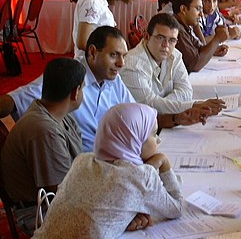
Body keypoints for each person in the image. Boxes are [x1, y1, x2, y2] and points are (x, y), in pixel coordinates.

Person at [0, 26, 208, 151]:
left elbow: (136, 117)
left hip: (116, 158)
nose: (121, 64)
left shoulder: (113, 79)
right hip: (86, 169)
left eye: (124, 56)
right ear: (92, 52)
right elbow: (12, 101)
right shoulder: (68, 78)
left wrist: (176, 118)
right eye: (114, 55)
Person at [33, 103, 183, 238]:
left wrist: (124, 219)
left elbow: (97, 207)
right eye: (153, 133)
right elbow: (176, 208)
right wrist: (163, 162)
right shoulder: (141, 177)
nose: (158, 139)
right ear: (134, 139)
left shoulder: (82, 160)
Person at [1, 58, 85, 234]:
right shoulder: (44, 130)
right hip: (40, 212)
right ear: (75, 93)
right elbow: (63, 193)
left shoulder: (60, 115)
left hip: (62, 198)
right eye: (83, 88)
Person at [120, 13, 225, 115]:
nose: (166, 45)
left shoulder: (174, 55)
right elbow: (149, 106)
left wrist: (161, 104)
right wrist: (193, 106)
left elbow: (186, 91)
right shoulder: (133, 66)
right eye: (160, 38)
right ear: (147, 37)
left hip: (164, 121)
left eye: (172, 40)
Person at [173, 0, 229, 72]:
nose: (201, 14)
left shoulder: (185, 26)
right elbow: (195, 65)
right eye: (198, 9)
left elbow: (198, 48)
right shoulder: (176, 29)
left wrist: (213, 49)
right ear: (183, 9)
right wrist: (217, 39)